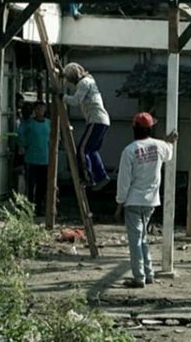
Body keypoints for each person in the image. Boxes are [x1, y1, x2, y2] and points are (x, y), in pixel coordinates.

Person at [115, 112, 178, 288]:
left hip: (133, 201)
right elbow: (169, 152)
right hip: (151, 201)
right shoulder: (159, 146)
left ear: (134, 129)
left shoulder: (129, 151)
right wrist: (169, 141)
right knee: (142, 239)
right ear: (151, 128)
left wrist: (119, 203)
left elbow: (124, 181)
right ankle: (148, 274)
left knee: (135, 240)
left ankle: (139, 277)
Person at [61, 62, 111, 191]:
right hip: (101, 120)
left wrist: (62, 97)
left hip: (96, 120)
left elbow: (76, 100)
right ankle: (101, 176)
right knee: (92, 150)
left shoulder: (83, 83)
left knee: (82, 150)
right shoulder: (88, 81)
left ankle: (88, 179)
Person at [17, 101, 51, 216]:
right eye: (38, 109)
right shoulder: (29, 123)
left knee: (42, 186)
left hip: (45, 159)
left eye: (42, 109)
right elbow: (20, 135)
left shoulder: (48, 123)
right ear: (34, 110)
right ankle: (29, 208)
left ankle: (39, 209)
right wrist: (23, 146)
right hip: (31, 158)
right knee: (31, 185)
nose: (40, 111)